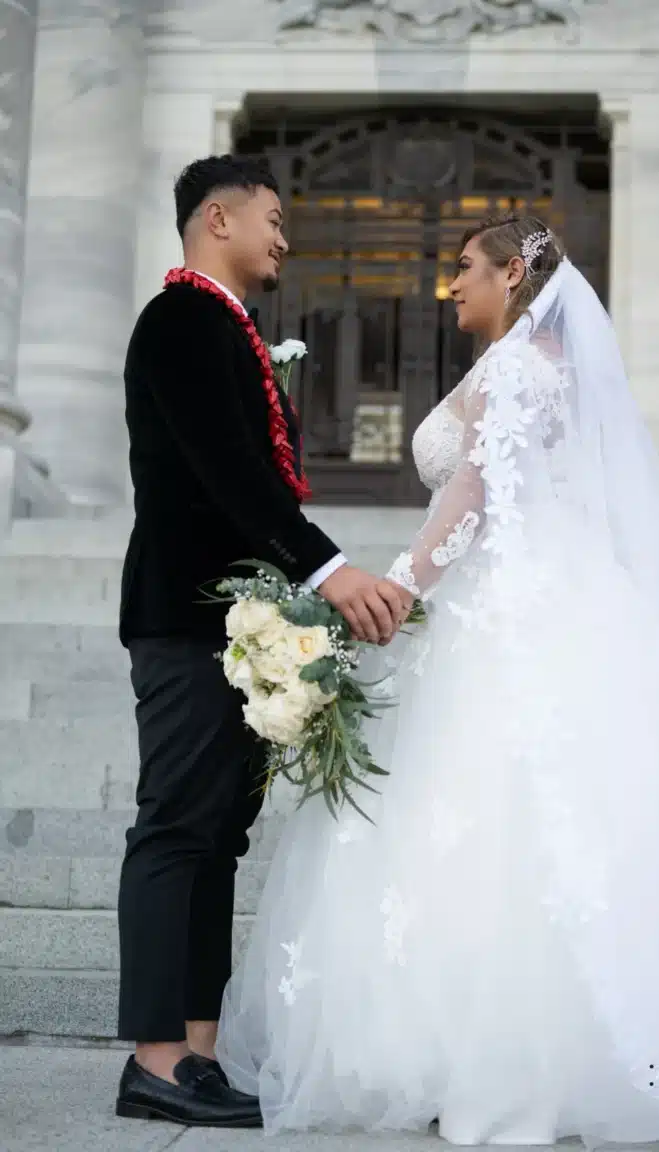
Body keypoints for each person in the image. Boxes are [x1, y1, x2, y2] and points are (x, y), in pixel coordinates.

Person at [217, 214, 659, 1150]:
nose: (450, 287)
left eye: (464, 269)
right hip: (542, 599)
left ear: (514, 273)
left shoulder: (518, 370)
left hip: (506, 614)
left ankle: (499, 1062)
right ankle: (552, 1056)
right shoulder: (538, 368)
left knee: (500, 816)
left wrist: (395, 588)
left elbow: (470, 497)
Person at [115, 153, 410, 1128]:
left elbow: (254, 483)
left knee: (217, 838)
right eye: (273, 218)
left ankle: (195, 1052)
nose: (285, 237)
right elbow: (232, 474)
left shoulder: (227, 327)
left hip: (239, 623)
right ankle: (156, 1059)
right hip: (186, 616)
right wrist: (330, 571)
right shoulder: (181, 321)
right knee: (176, 828)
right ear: (216, 220)